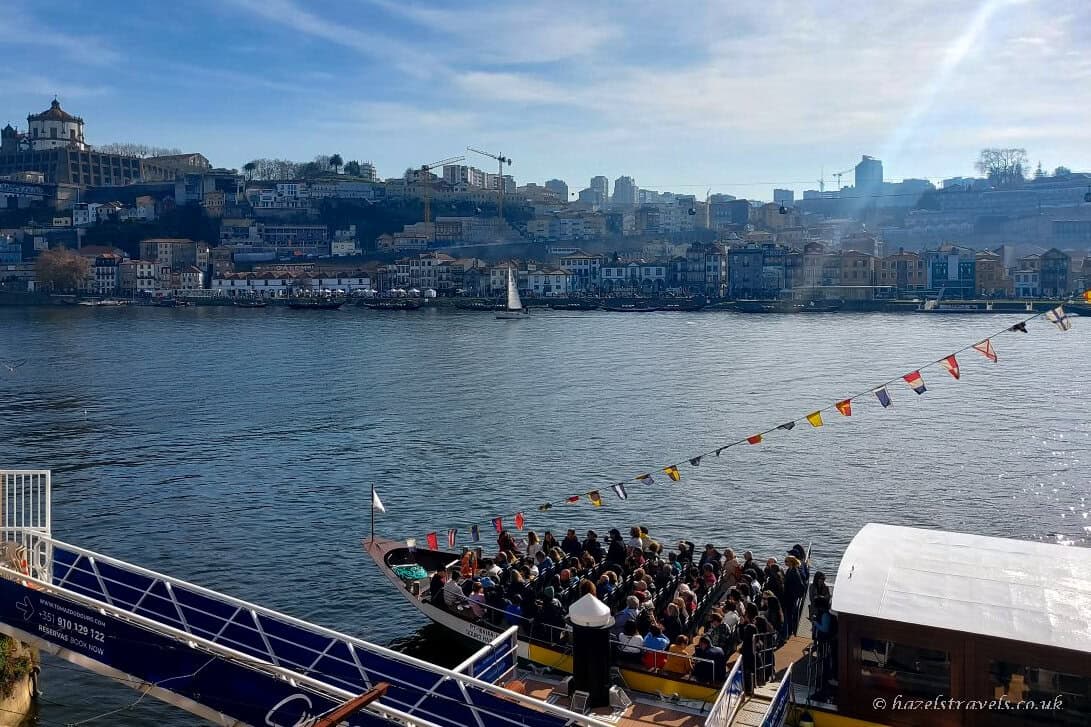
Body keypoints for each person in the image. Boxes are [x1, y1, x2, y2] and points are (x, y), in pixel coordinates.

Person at [783, 555, 807, 636]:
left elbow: (800, 585)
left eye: (786, 561)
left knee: (790, 615)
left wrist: (795, 595)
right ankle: (789, 631)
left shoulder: (794, 572)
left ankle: (790, 632)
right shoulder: (790, 570)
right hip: (788, 596)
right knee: (788, 614)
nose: (785, 563)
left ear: (791, 562)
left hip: (791, 597)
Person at [739, 602, 759, 694]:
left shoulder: (750, 626)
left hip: (748, 652)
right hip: (751, 650)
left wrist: (742, 625)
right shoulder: (754, 623)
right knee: (749, 670)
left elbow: (743, 637)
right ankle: (749, 688)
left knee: (747, 670)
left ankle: (748, 689)